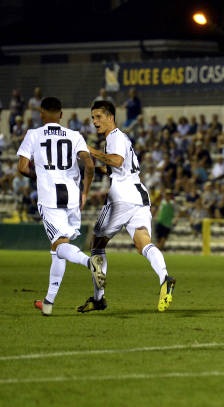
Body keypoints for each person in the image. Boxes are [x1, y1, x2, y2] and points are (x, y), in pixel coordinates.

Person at [84, 100, 175, 312]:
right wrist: (97, 169)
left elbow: (116, 161)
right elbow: (118, 168)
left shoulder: (114, 136)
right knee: (143, 242)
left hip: (121, 197)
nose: (95, 122)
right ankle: (165, 278)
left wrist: (90, 151)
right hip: (139, 195)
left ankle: (99, 298)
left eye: (98, 117)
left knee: (96, 245)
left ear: (110, 117)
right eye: (92, 118)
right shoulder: (122, 138)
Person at [16, 96, 104, 316]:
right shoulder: (75, 135)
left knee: (60, 244)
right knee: (58, 250)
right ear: (62, 114)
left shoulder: (33, 135)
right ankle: (48, 302)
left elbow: (22, 167)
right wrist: (84, 192)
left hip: (50, 198)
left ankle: (89, 262)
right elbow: (90, 165)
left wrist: (39, 176)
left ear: (41, 113)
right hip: (72, 197)